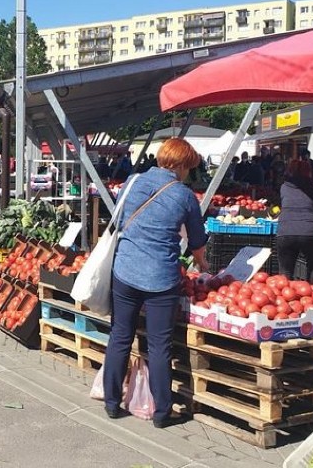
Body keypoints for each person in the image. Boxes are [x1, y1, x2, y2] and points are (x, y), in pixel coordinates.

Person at [104, 137, 209, 429]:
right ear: (181, 165)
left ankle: (112, 403)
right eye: (188, 167)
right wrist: (203, 265)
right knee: (160, 345)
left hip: (124, 270)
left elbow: (119, 217)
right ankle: (162, 412)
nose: (189, 173)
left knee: (120, 335)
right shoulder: (184, 196)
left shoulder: (133, 181)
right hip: (161, 279)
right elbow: (197, 241)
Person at [277, 160, 313, 283]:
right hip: (309, 231)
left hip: (286, 231)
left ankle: (284, 297)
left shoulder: (284, 187)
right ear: (309, 171)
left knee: (285, 271)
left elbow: (279, 206)